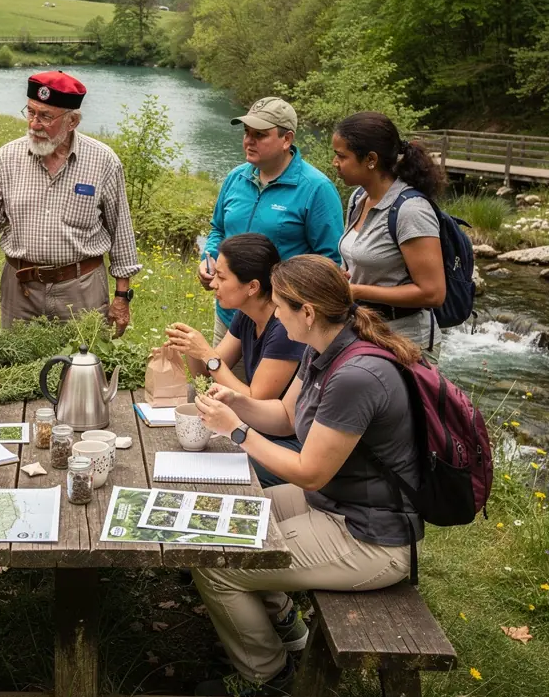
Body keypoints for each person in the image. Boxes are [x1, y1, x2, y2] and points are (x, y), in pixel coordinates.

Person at [191, 254, 422, 697]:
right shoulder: (326, 348)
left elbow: (310, 472)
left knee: (215, 561)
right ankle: (284, 628)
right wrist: (235, 404)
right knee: (222, 515)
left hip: (370, 537)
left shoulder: (355, 375)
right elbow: (284, 418)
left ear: (308, 312)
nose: (275, 315)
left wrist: (235, 432)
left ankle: (268, 678)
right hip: (338, 506)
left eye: (280, 306)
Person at [0, 72, 141, 334]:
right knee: (18, 369)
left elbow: (121, 231)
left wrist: (122, 297)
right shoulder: (7, 157)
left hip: (82, 290)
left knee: (81, 370)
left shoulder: (103, 161)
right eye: (31, 112)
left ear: (72, 121)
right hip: (20, 291)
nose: (34, 124)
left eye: (46, 116)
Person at [199, 97, 343, 351]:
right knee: (219, 384)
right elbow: (218, 229)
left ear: (286, 139)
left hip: (283, 325)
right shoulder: (236, 177)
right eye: (246, 132)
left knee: (260, 392)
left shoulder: (316, 189)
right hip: (229, 315)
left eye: (260, 134)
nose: (248, 140)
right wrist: (208, 259)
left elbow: (329, 262)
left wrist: (290, 301)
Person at [164, 233, 304, 486]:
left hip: (284, 443)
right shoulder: (246, 314)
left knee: (200, 471)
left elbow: (255, 399)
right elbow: (206, 376)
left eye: (221, 276)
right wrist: (190, 348)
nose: (213, 284)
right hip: (256, 431)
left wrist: (207, 353)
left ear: (252, 286)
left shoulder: (284, 328)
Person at [333, 112, 446, 351]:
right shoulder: (358, 198)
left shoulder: (411, 211)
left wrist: (357, 291)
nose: (335, 163)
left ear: (371, 159)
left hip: (406, 343)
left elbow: (433, 293)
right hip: (363, 331)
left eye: (341, 156)